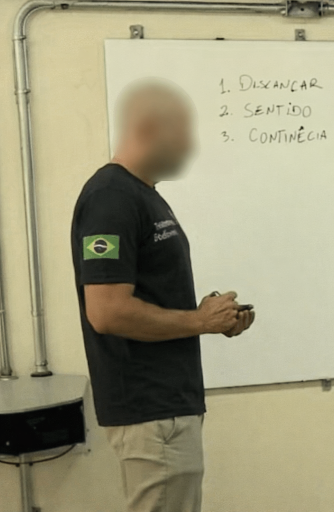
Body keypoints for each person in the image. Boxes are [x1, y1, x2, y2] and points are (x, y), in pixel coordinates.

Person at [70, 78, 255, 512]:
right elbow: (107, 312)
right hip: (150, 409)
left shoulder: (144, 195)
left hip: (168, 405)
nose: (190, 146)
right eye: (182, 133)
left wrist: (213, 317)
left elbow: (147, 297)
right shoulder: (111, 198)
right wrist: (199, 321)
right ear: (147, 128)